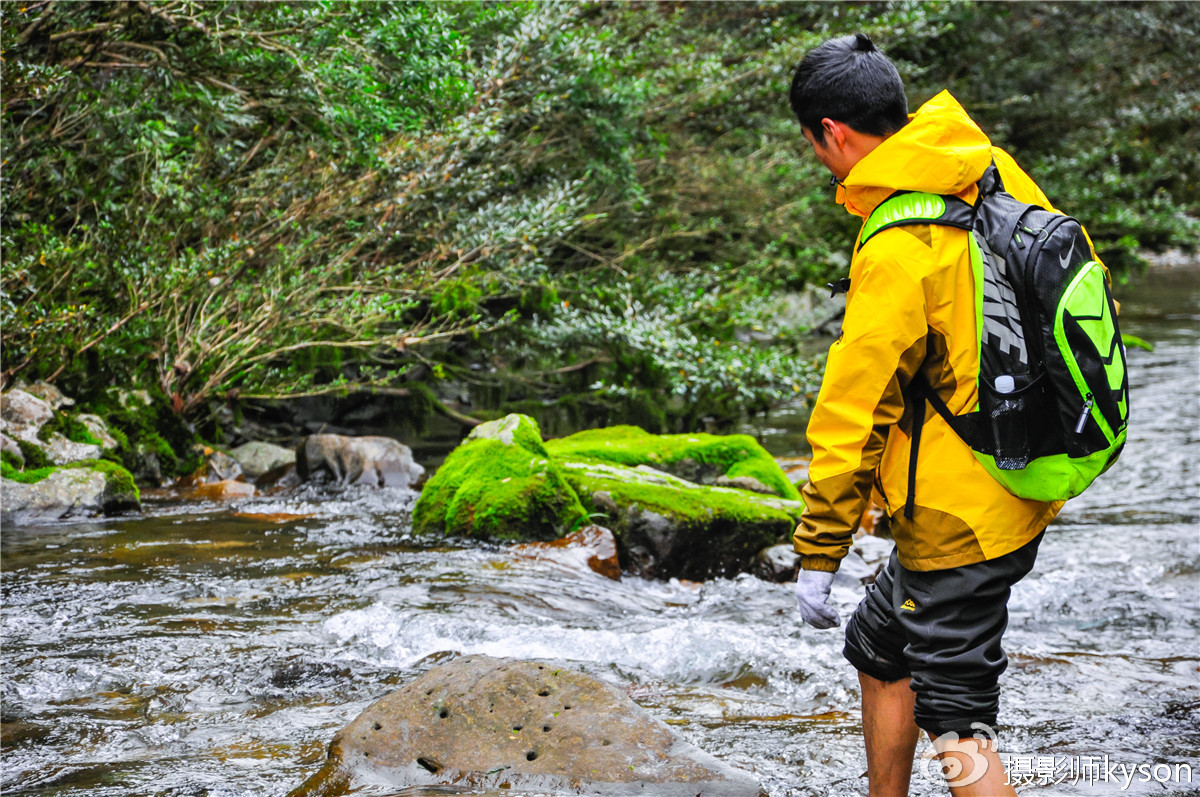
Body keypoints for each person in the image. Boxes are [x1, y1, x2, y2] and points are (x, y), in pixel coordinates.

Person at [787, 33, 1080, 796]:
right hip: (1017, 476)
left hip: (959, 521)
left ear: (834, 133)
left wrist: (819, 550)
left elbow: (854, 408)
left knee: (959, 725)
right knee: (881, 647)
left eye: (815, 145)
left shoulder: (897, 243)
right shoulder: (984, 168)